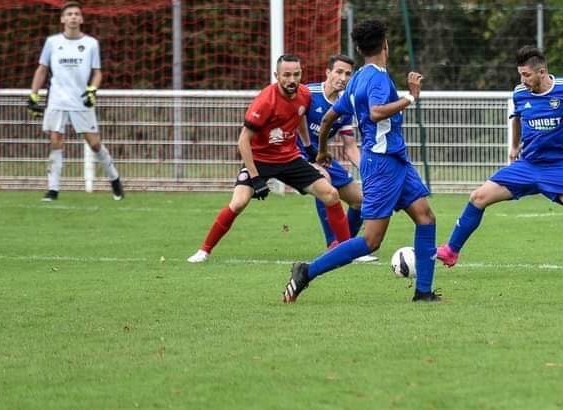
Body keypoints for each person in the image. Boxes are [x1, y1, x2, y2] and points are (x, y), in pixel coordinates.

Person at [435, 45, 563, 275]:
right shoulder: (520, 93)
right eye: (520, 74)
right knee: (478, 197)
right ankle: (451, 250)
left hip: (558, 167)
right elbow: (517, 117)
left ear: (542, 72)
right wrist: (514, 145)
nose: (522, 80)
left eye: (526, 75)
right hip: (526, 166)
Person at [282, 19, 440, 303]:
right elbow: (377, 112)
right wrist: (411, 98)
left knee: (425, 217)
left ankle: (424, 293)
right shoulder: (377, 77)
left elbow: (328, 118)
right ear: (385, 45)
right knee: (371, 240)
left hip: (396, 161)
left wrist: (321, 151)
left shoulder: (356, 80)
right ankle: (307, 271)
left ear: (359, 48)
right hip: (382, 165)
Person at [186, 54, 353, 263]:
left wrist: (308, 146)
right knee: (238, 203)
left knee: (330, 194)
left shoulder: (304, 94)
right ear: (277, 75)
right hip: (260, 161)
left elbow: (300, 117)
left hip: (290, 159)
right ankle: (204, 250)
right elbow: (243, 141)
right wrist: (256, 178)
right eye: (287, 75)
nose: (292, 80)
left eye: (296, 74)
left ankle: (347, 250)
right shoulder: (265, 101)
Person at [28, 1, 124, 202]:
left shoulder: (91, 43)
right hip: (57, 99)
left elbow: (97, 73)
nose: (73, 17)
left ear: (81, 19)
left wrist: (92, 90)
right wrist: (33, 95)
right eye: (69, 14)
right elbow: (42, 69)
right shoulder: (52, 42)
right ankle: (53, 189)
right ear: (62, 19)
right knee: (56, 141)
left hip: (80, 101)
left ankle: (114, 178)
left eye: (76, 14)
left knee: (94, 144)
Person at [300, 54, 377, 262]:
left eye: (348, 74)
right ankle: (334, 244)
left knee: (361, 201)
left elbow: (350, 147)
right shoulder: (308, 93)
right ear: (328, 72)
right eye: (339, 72)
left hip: (321, 157)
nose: (343, 78)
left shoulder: (345, 105)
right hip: (296, 153)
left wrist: (368, 171)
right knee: (323, 182)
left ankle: (347, 246)